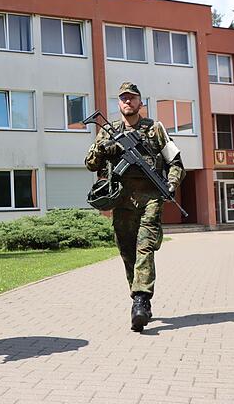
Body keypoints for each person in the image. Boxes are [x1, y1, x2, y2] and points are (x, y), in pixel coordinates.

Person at [85, 82, 185, 332]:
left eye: (132, 98)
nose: (127, 102)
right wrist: (104, 148)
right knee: (127, 251)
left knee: (144, 247)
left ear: (141, 102)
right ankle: (140, 298)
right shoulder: (109, 131)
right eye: (123, 99)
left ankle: (140, 300)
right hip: (121, 199)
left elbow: (176, 162)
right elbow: (89, 163)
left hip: (151, 197)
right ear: (119, 104)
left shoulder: (155, 129)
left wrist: (171, 184)